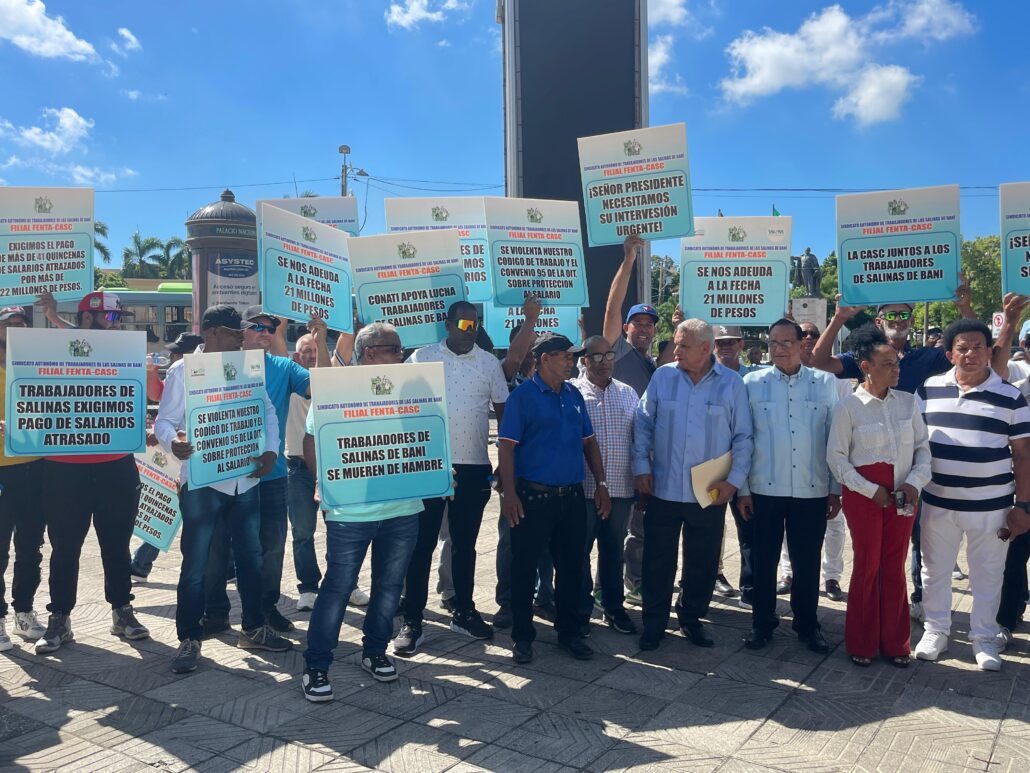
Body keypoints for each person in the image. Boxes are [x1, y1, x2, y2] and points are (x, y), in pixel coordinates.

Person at [809, 283, 989, 621]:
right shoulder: (864, 358)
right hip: (870, 469)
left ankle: (918, 601)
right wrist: (837, 318)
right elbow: (818, 360)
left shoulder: (927, 356)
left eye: (904, 314)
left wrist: (965, 307)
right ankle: (870, 615)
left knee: (919, 541)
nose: (898, 319)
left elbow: (972, 347)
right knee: (871, 555)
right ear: (879, 322)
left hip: (913, 462)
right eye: (891, 314)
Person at [157, 305, 289, 673]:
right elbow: (166, 420)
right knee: (197, 563)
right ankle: (189, 638)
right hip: (203, 483)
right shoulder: (185, 370)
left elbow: (267, 413)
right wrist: (173, 444)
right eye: (235, 334)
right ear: (213, 333)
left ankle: (253, 628)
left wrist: (270, 450)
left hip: (244, 479)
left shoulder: (248, 367)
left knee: (251, 558)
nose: (241, 340)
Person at [300, 323, 423, 701]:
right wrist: (324, 480)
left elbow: (425, 437)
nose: (401, 355)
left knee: (388, 586)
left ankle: (374, 651)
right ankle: (317, 665)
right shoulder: (338, 391)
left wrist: (436, 468)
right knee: (337, 587)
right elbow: (311, 441)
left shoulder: (413, 390)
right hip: (350, 512)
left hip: (402, 508)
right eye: (395, 349)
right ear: (370, 352)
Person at [203, 307, 329, 636]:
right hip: (221, 473)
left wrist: (322, 342)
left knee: (272, 547)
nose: (265, 332)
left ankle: (266, 608)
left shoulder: (284, 367)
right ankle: (216, 611)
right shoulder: (215, 366)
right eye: (257, 326)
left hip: (271, 477)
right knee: (217, 547)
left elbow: (325, 388)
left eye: (271, 328)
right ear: (239, 332)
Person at [35, 291, 149, 654]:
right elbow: (78, 343)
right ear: (87, 320)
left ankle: (122, 610)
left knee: (116, 546)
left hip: (116, 466)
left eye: (120, 319)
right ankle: (60, 618)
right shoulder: (55, 355)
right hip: (63, 469)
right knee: (64, 548)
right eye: (113, 319)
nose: (120, 325)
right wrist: (54, 318)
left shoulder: (124, 355)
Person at [392, 302, 509, 656]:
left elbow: (505, 414)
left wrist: (504, 463)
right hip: (429, 464)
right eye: (462, 322)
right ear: (447, 325)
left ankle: (464, 609)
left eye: (475, 323)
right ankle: (412, 618)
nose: (469, 328)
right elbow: (401, 407)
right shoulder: (421, 357)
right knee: (421, 545)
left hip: (474, 466)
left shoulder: (488, 362)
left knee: (464, 544)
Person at [914, 319, 1030, 671]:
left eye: (978, 346)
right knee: (934, 571)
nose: (970, 354)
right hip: (938, 502)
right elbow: (916, 446)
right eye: (962, 348)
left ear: (989, 351)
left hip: (992, 507)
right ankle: (936, 630)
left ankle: (983, 638)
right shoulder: (929, 390)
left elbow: (1023, 455)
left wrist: (1022, 506)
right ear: (949, 354)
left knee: (988, 573)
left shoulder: (1011, 395)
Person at [632, 319, 753, 651]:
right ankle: (653, 623)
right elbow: (643, 423)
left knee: (702, 561)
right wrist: (641, 466)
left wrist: (733, 482)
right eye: (675, 343)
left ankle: (691, 619)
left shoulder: (731, 385)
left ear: (705, 348)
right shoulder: (663, 377)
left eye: (683, 345)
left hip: (709, 491)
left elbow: (743, 437)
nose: (676, 350)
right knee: (657, 559)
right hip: (663, 489)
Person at [497, 333, 611, 664]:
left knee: (572, 566)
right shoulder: (523, 397)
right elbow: (507, 447)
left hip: (571, 497)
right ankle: (522, 636)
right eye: (565, 356)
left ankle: (569, 633)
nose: (571, 361)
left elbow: (589, 442)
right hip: (533, 498)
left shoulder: (573, 395)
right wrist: (509, 494)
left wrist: (601, 483)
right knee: (524, 567)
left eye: (573, 356)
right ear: (545, 359)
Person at [827, 325, 931, 667]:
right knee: (868, 566)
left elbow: (922, 450)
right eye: (887, 363)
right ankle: (862, 641)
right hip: (865, 496)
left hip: (904, 494)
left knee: (894, 565)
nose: (896, 369)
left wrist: (914, 483)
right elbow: (837, 459)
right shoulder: (849, 407)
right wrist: (872, 491)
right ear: (866, 365)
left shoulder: (908, 402)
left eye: (897, 363)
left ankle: (896, 642)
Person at [738, 319, 839, 654]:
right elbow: (744, 438)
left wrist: (835, 487)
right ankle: (761, 623)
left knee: (807, 562)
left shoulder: (825, 383)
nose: (779, 349)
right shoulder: (751, 382)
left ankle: (807, 625)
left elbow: (834, 439)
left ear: (801, 345)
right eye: (773, 343)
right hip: (764, 488)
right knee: (763, 562)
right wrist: (742, 489)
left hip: (811, 489)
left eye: (786, 342)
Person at [778, 321, 852, 602]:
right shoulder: (783, 372)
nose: (809, 338)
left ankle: (832, 576)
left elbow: (844, 420)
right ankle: (788, 572)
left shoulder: (838, 377)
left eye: (814, 334)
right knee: (789, 522)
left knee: (834, 523)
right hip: (793, 461)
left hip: (829, 461)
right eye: (804, 334)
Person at [493, 303, 557, 628]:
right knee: (511, 540)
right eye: (526, 345)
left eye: (536, 348)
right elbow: (515, 359)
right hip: (515, 478)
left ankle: (543, 598)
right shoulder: (508, 380)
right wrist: (530, 319)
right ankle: (507, 601)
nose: (531, 354)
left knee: (546, 542)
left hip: (547, 478)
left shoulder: (557, 386)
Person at [570, 335, 638, 635]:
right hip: (583, 490)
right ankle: (580, 611)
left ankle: (614, 608)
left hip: (621, 490)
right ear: (584, 360)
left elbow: (639, 439)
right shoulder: (572, 393)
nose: (604, 361)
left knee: (613, 552)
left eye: (609, 355)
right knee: (578, 553)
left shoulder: (628, 393)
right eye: (596, 356)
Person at [130, 332, 204, 580]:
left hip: (192, 453)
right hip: (176, 451)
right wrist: (151, 371)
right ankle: (142, 563)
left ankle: (142, 563)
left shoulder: (195, 373)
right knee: (170, 509)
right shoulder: (179, 373)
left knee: (176, 510)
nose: (171, 356)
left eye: (176, 353)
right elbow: (157, 397)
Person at [0, 306, 47, 650]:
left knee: (30, 547)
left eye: (22, 324)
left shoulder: (37, 365)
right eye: (10, 324)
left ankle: (23, 611)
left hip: (35, 469)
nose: (17, 328)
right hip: (2, 469)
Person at [711, 324, 763, 601]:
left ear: (742, 344)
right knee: (711, 526)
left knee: (748, 527)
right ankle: (714, 574)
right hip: (714, 464)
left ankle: (750, 586)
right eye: (720, 342)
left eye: (731, 341)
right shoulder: (706, 377)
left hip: (748, 464)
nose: (726, 346)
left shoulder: (756, 377)